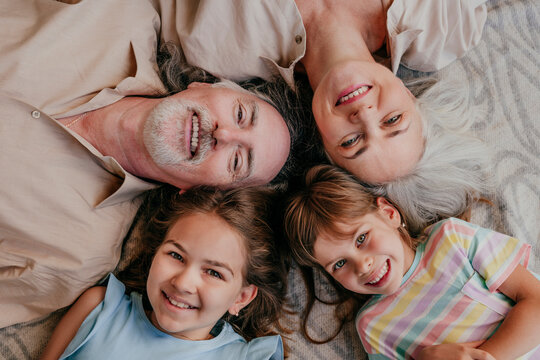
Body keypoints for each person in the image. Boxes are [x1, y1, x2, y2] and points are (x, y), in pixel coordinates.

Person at [0, 2, 305, 327]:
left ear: (202, 192)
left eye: (236, 160)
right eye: (240, 114)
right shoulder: (121, 14)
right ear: (205, 85)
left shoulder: (74, 256)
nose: (224, 134)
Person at [167, 0, 491, 234]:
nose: (363, 114)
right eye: (393, 120)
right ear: (409, 94)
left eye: (351, 141)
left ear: (322, 139)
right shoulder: (445, 25)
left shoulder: (219, 47)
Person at [283, 165, 540, 360]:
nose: (362, 266)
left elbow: (536, 303)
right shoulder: (372, 325)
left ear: (388, 213)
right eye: (339, 264)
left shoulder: (450, 239)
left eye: (361, 238)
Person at [40, 186, 286, 360]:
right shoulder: (100, 310)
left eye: (213, 272)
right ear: (155, 253)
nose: (183, 283)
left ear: (240, 298)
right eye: (176, 256)